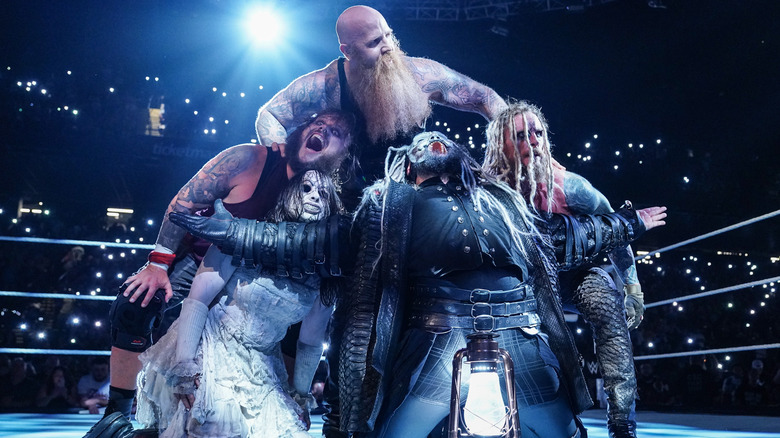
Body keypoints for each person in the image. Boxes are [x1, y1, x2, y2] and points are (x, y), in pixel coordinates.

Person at [170, 131, 667, 437]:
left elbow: (566, 236)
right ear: (408, 165)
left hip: (525, 338)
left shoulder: (508, 204)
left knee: (560, 431)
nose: (434, 138)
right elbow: (312, 239)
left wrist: (629, 224)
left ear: (463, 160)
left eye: (444, 140)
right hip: (436, 339)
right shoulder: (386, 207)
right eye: (422, 141)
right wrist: (233, 230)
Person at [84, 110, 355, 437]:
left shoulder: (332, 214)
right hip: (209, 257)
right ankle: (115, 418)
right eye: (319, 124)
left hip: (268, 311)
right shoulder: (251, 159)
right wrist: (158, 263)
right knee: (137, 302)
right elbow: (185, 202)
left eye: (336, 132)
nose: (323, 131)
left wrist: (300, 392)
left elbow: (313, 336)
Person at [135, 170, 343, 437]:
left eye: (323, 194)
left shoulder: (323, 272)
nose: (315, 197)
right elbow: (197, 300)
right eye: (306, 188)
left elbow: (310, 341)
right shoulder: (242, 235)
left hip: (264, 365)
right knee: (216, 427)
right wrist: (185, 367)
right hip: (213, 348)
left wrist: (300, 396)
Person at [482, 100, 646, 437]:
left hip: (579, 271)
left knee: (607, 310)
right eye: (522, 135)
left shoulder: (569, 185)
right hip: (526, 277)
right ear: (502, 144)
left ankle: (622, 422)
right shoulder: (488, 192)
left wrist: (633, 290)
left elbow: (617, 228)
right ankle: (561, 420)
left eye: (538, 133)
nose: (534, 142)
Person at [256, 5, 507, 209]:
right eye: (374, 41)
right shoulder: (328, 85)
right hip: (353, 205)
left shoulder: (421, 74)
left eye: (388, 34)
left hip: (423, 199)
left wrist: (508, 149)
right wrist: (284, 167)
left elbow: (485, 97)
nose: (388, 46)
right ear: (348, 51)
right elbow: (270, 115)